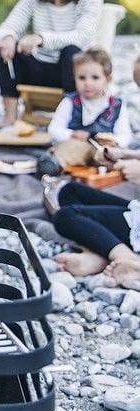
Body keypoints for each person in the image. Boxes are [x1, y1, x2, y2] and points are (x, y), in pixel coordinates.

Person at [0, 0, 103, 128]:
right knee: (6, 46)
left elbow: (83, 35)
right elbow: (6, 26)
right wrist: (8, 37)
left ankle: (73, 120)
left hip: (73, 73)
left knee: (72, 51)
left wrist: (42, 38)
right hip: (41, 68)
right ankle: (9, 117)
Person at [54, 51, 140, 285]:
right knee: (69, 191)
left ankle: (127, 258)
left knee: (66, 215)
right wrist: (126, 155)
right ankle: (101, 254)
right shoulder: (72, 102)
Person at [46, 47, 133, 169]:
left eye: (95, 78)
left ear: (108, 80)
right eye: (82, 78)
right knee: (67, 150)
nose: (88, 83)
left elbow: (125, 134)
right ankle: (53, 165)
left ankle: (113, 168)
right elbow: (54, 129)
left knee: (115, 155)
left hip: (103, 149)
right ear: (74, 78)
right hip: (78, 145)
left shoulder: (116, 105)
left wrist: (116, 141)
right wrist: (71, 134)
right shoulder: (70, 102)